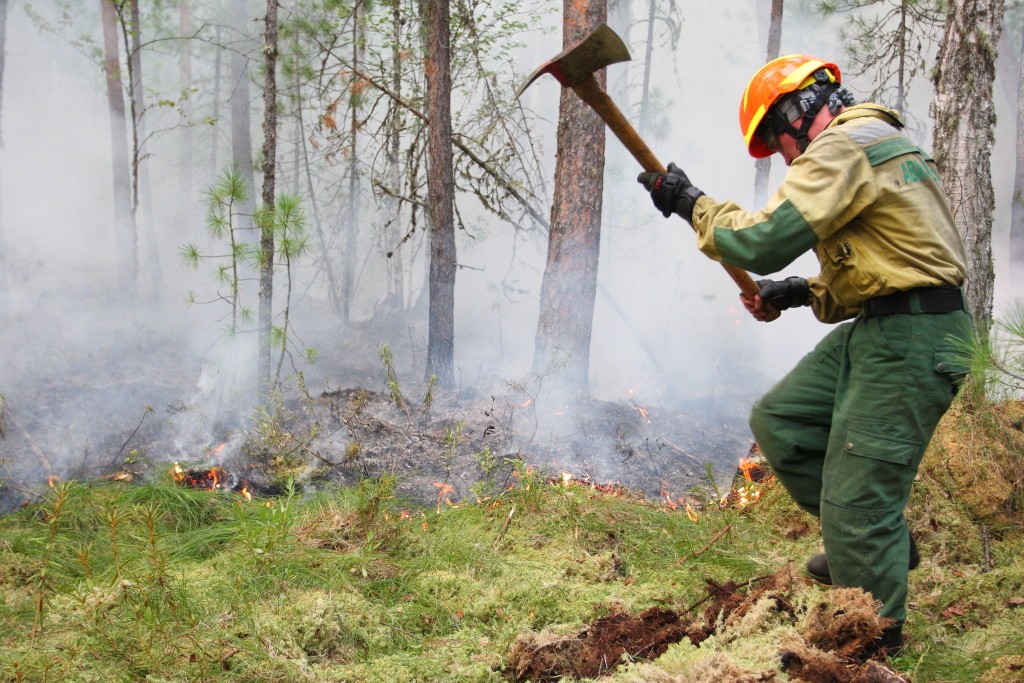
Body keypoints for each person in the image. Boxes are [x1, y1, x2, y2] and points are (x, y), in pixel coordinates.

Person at [638, 55, 973, 655]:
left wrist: (691, 202)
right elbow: (880, 263)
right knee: (783, 419)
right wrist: (796, 294)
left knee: (856, 497)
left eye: (776, 138)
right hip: (887, 323)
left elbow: (760, 242)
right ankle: (870, 542)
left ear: (799, 110)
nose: (784, 155)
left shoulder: (845, 147)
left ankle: (872, 645)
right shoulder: (872, 143)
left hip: (914, 336)